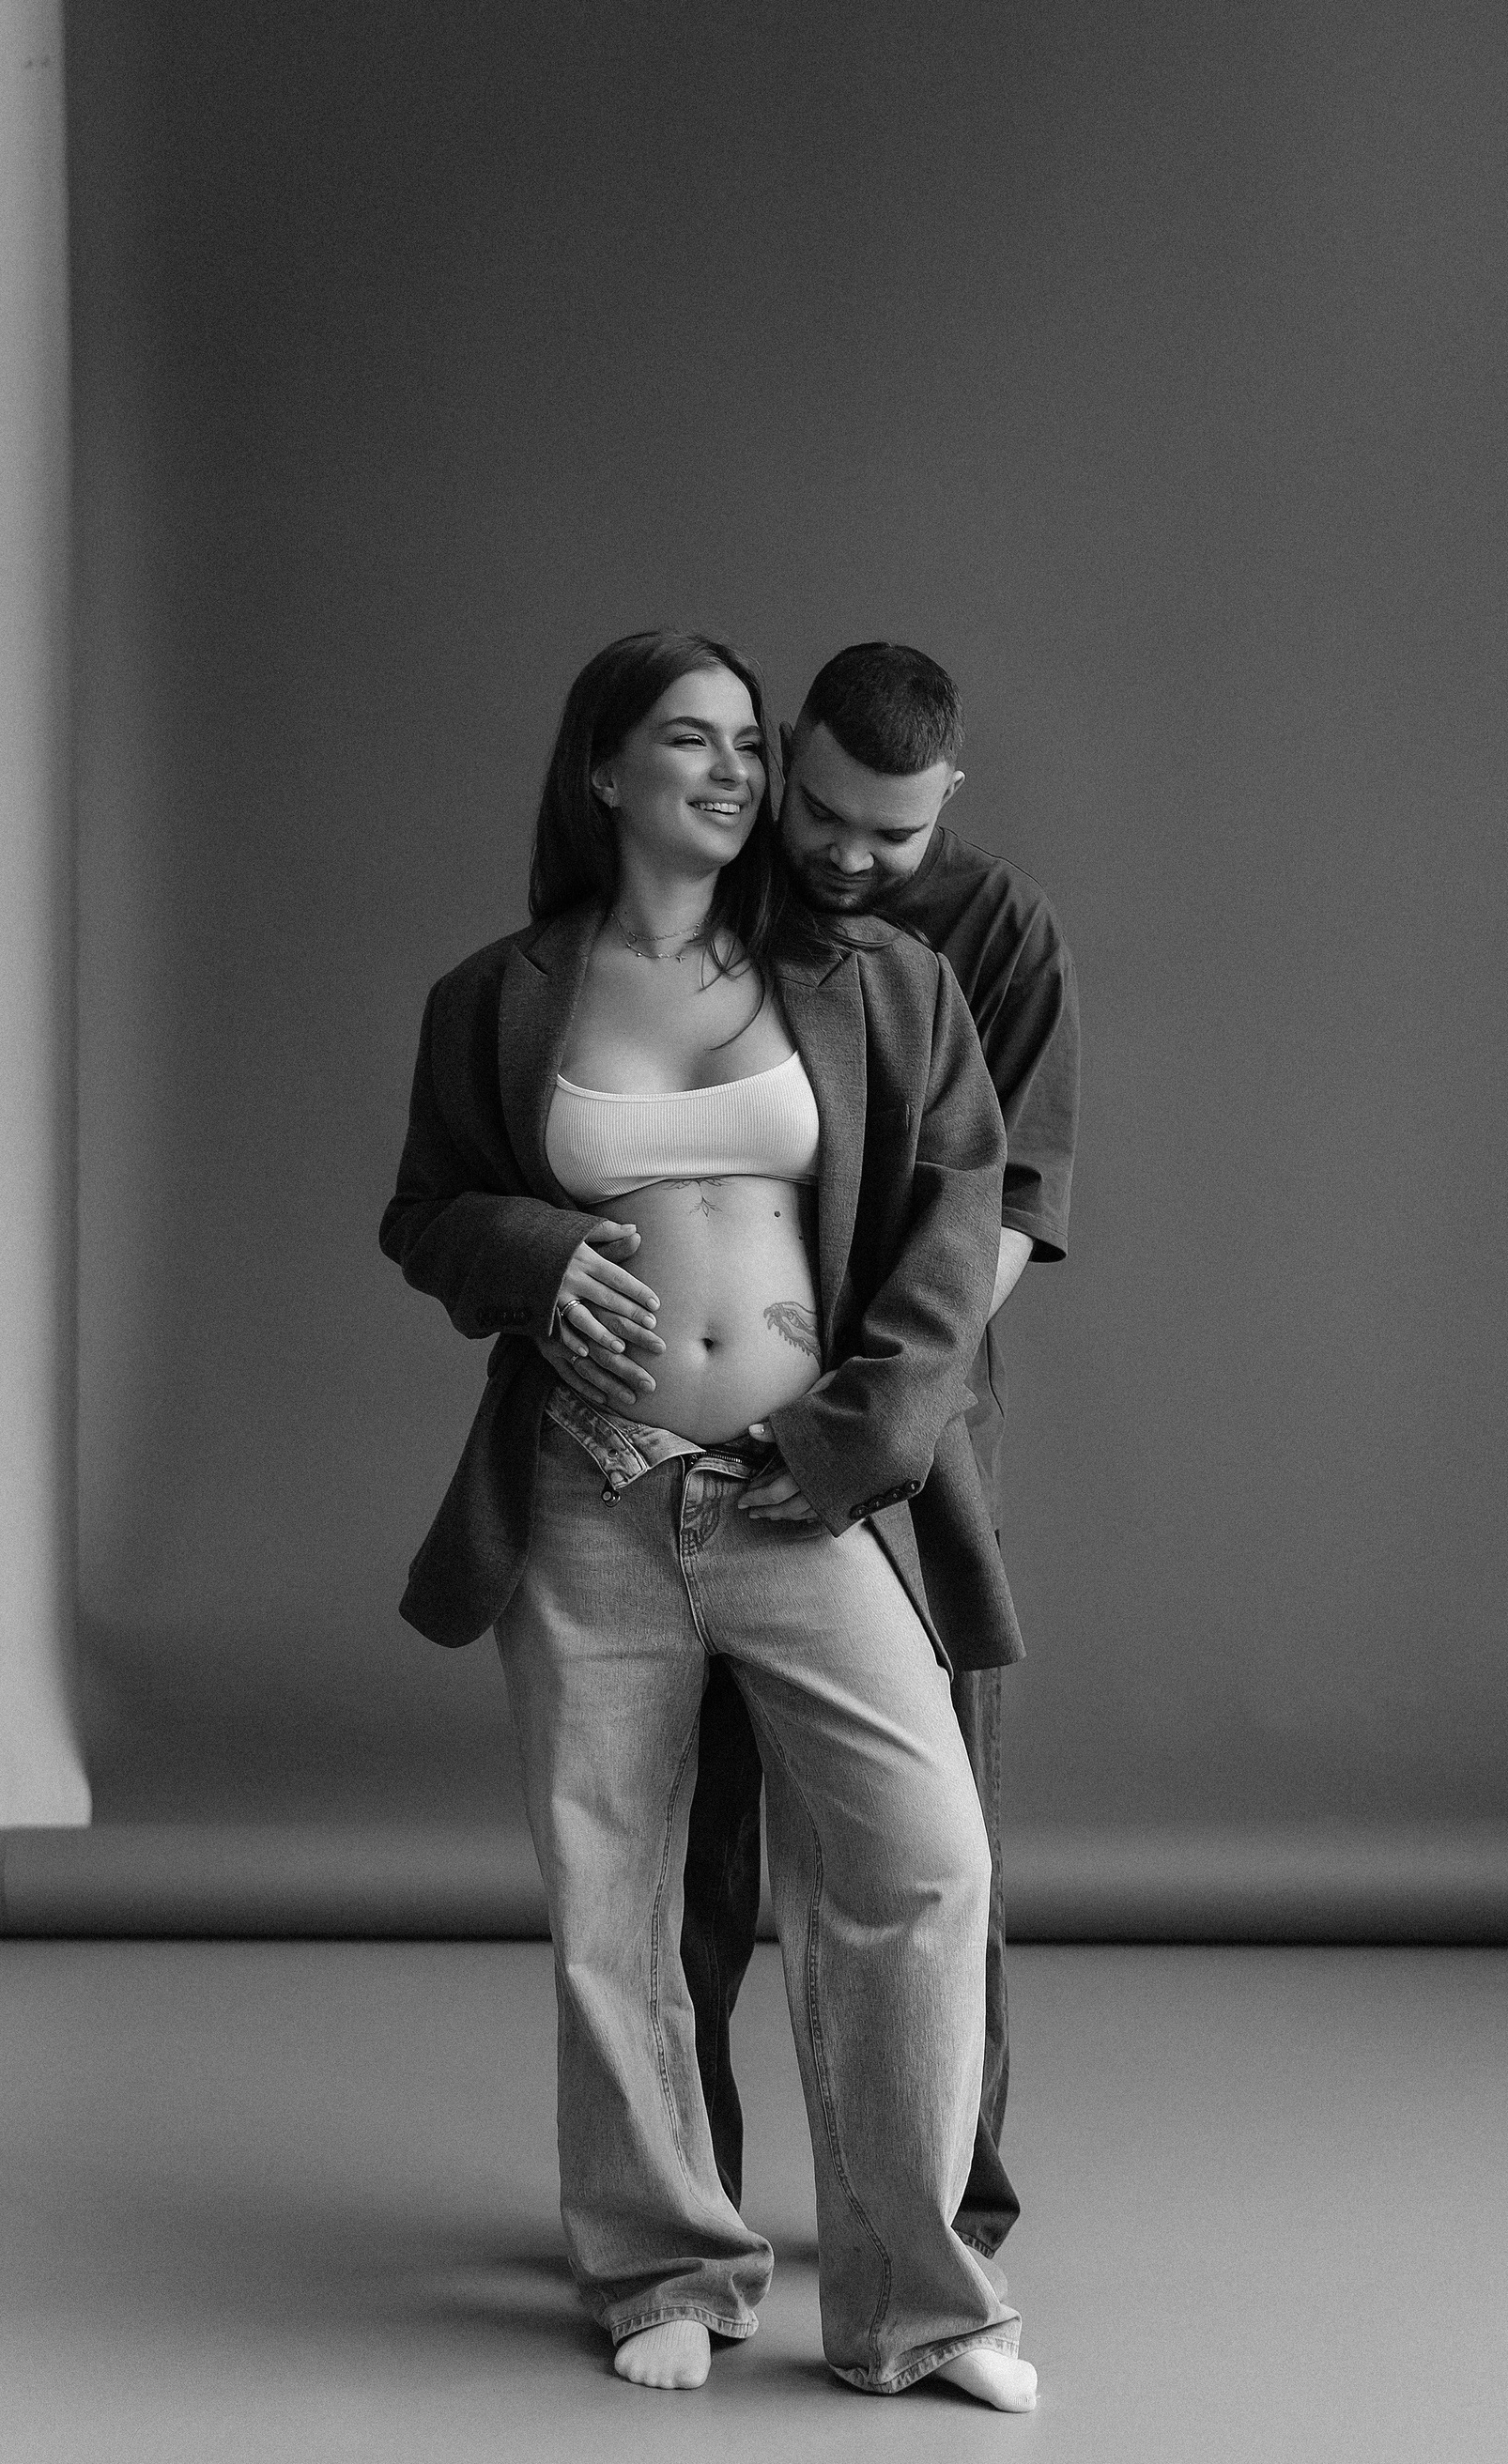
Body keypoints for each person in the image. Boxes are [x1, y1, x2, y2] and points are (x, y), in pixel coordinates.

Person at [379, 630, 1038, 2408]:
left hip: (797, 1493)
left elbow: (956, 1223)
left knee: (923, 1856)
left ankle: (918, 2302)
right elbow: (427, 1213)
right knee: (617, 1896)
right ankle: (662, 2260)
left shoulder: (874, 975)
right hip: (590, 1489)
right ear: (605, 768)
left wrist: (851, 1445)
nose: (737, 769)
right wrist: (530, 1255)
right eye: (693, 737)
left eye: (752, 740)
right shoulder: (500, 995)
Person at [547, 642, 1079, 2269]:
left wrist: (861, 1414)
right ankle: (683, 2217)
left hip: (901, 1444)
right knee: (682, 1847)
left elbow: (997, 1213)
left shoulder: (994, 933)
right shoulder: (726, 892)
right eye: (822, 811)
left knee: (930, 1838)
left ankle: (947, 2220)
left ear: (951, 797)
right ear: (787, 757)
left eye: (889, 833)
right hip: (674, 1465)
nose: (846, 853)